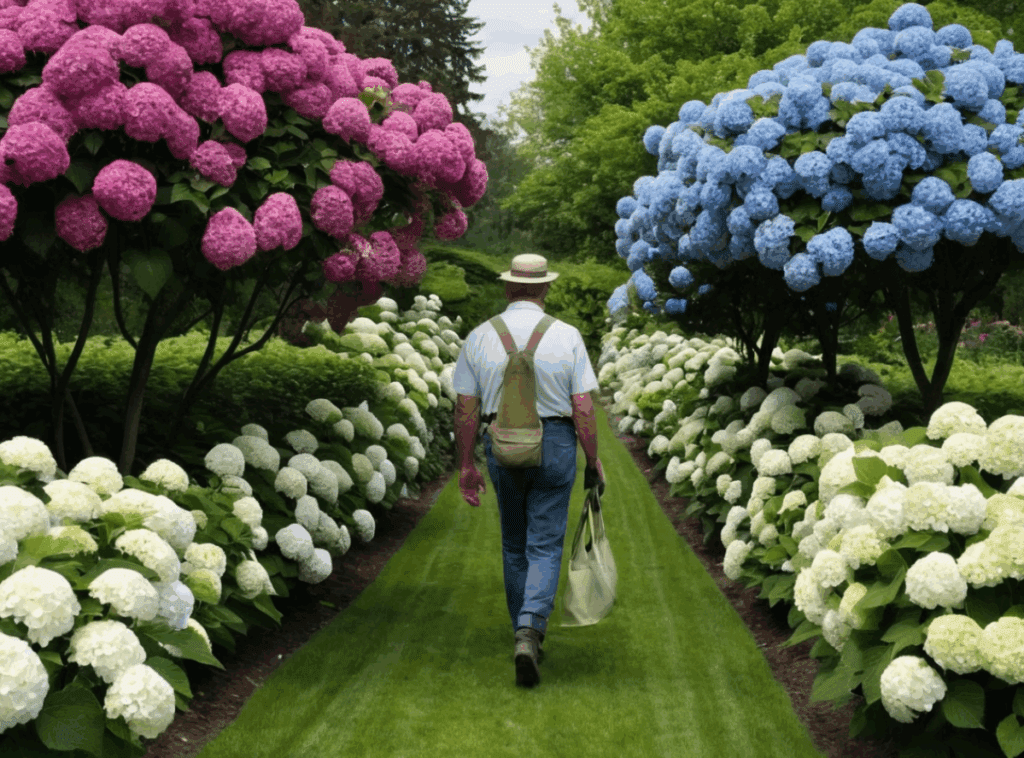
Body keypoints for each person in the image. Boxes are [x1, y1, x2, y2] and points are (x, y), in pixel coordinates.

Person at [452, 252, 605, 688]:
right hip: (555, 443)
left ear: (507, 288)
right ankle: (529, 629)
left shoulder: (480, 337)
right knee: (544, 543)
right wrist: (592, 458)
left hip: (501, 441)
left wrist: (466, 465)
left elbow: (466, 407)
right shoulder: (567, 336)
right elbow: (583, 406)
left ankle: (524, 629)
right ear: (544, 288)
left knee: (514, 543)